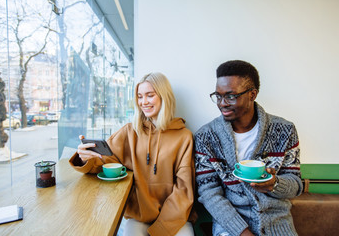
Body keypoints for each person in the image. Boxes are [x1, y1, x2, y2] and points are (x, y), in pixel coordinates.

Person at [69, 72, 195, 236]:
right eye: (140, 96)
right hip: (138, 217)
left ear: (165, 97)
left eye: (150, 95)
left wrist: (161, 229)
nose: (143, 102)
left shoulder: (184, 136)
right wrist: (86, 158)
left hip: (174, 218)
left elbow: (184, 190)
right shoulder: (129, 131)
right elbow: (106, 162)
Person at [194, 60, 302, 236]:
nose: (222, 103)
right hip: (230, 225)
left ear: (252, 94)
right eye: (218, 96)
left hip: (277, 223)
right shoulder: (206, 136)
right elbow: (208, 192)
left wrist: (274, 184)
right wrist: (242, 232)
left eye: (230, 96)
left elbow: (295, 185)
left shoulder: (284, 131)